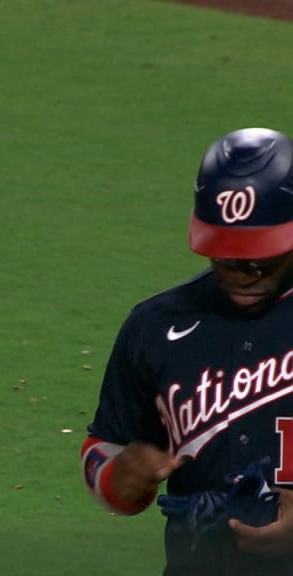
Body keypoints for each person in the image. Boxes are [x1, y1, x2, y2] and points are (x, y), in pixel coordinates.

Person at [81, 127, 293, 575]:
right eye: (226, 256)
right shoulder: (156, 326)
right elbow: (102, 447)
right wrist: (117, 478)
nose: (243, 274)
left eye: (262, 258)